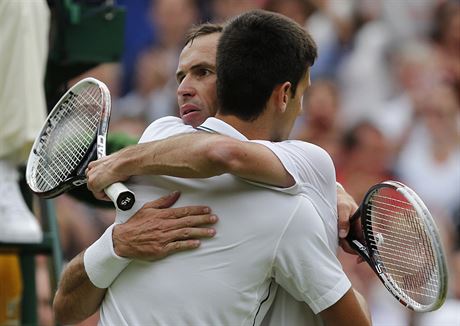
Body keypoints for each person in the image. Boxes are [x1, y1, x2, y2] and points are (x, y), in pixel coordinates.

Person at [54, 10, 370, 325]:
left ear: (235, 76)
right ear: (284, 94)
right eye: (181, 76)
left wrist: (330, 197)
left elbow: (222, 152)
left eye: (203, 72)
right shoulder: (161, 134)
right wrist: (116, 244)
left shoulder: (153, 146)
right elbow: (65, 310)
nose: (184, 89)